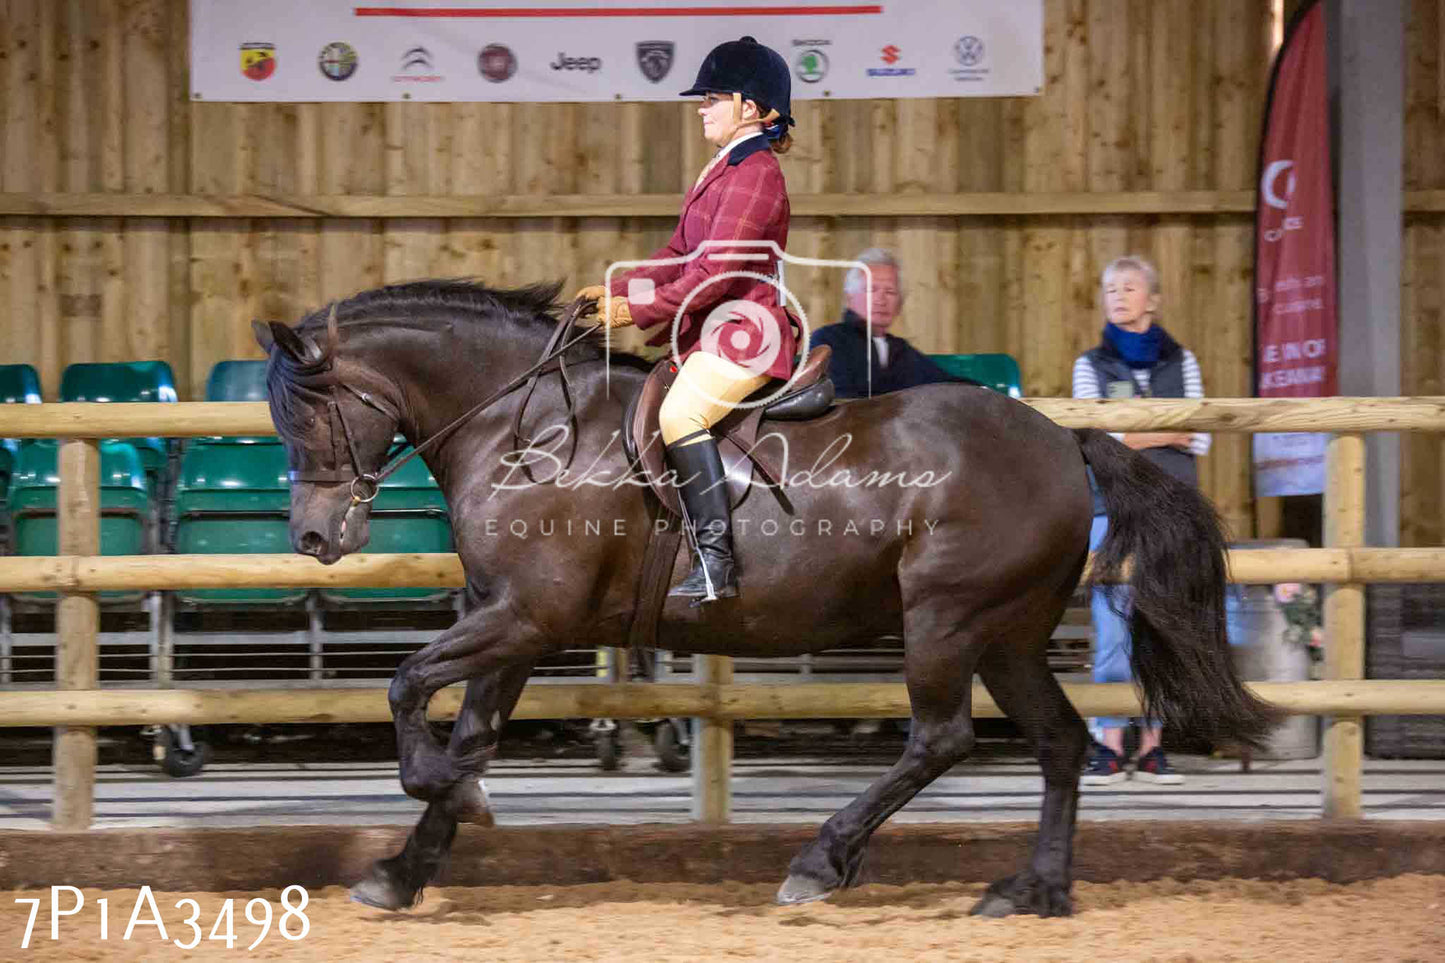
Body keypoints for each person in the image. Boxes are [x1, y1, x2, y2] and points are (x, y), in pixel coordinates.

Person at [572, 36, 796, 604]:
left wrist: (632, 311)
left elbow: (715, 277)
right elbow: (679, 255)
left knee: (681, 413)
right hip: (709, 334)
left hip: (746, 334)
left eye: (713, 97)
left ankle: (717, 562)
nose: (701, 106)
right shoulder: (723, 168)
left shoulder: (756, 174)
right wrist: (614, 288)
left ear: (751, 107)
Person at [1072, 254, 1210, 786]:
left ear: (1151, 299)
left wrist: (1136, 434)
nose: (1118, 296)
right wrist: (1164, 431)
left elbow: (1200, 434)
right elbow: (1097, 440)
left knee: (1164, 621)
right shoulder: (1090, 364)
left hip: (1173, 509)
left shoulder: (1185, 361)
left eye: (1129, 287)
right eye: (1110, 289)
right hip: (1114, 511)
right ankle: (1108, 744)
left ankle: (1152, 746)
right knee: (1110, 627)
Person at [811, 248, 979, 397]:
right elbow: (838, 400)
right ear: (850, 298)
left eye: (890, 292)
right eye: (871, 290)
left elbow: (946, 385)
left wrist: (984, 392)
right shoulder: (828, 341)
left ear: (899, 304)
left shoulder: (901, 351)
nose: (881, 300)